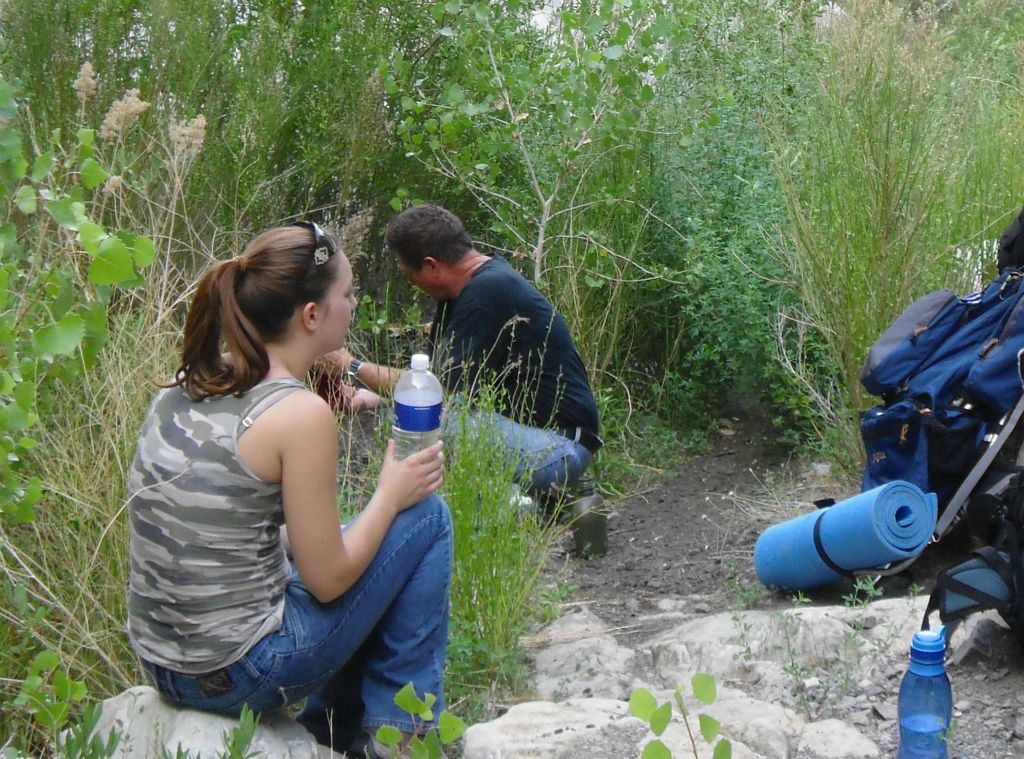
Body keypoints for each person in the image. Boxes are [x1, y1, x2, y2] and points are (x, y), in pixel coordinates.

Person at [126, 221, 451, 758]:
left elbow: (236, 529)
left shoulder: (189, 382)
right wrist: (390, 494)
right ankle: (401, 735)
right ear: (311, 316)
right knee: (426, 518)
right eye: (347, 293)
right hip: (239, 674)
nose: (355, 303)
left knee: (354, 540)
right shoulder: (298, 415)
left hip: (162, 664)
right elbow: (327, 582)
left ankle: (334, 723)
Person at [335, 204, 601, 497]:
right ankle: (516, 500)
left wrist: (350, 366)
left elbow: (435, 393)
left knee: (428, 421)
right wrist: (373, 397)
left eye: (410, 274)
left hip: (558, 450)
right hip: (542, 441)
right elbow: (444, 382)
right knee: (404, 415)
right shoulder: (469, 289)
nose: (412, 283)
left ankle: (518, 502)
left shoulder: (486, 293)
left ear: (432, 265)